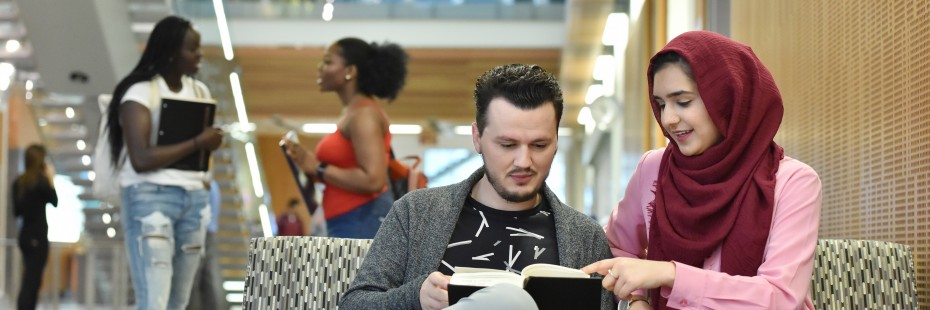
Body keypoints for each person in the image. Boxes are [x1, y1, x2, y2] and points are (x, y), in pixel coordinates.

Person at [581, 31, 822, 309]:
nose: (668, 119)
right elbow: (614, 246)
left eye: (683, 102)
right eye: (661, 104)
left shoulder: (794, 183)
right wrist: (636, 299)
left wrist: (670, 274)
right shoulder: (653, 169)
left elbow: (781, 298)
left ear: (727, 98)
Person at [340, 64, 614, 310]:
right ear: (477, 138)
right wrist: (415, 298)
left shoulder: (585, 237)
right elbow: (354, 304)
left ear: (555, 142)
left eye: (539, 145)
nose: (524, 161)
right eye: (507, 145)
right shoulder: (416, 213)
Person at [105, 15, 223, 309]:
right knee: (153, 301)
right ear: (171, 51)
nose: (199, 55)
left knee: (178, 302)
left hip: (194, 199)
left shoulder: (199, 92)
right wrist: (198, 143)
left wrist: (207, 148)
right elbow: (141, 158)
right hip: (150, 197)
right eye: (192, 49)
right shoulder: (140, 92)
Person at [283, 37, 408, 238]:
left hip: (362, 219)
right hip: (350, 219)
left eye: (328, 62)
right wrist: (309, 167)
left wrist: (319, 168)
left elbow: (373, 180)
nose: (320, 67)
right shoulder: (352, 112)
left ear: (350, 71)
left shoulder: (363, 115)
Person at [12, 144, 58, 310]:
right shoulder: (41, 182)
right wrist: (51, 178)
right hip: (38, 237)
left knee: (30, 279)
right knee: (32, 282)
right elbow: (55, 201)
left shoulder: (18, 183)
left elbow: (17, 212)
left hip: (25, 236)